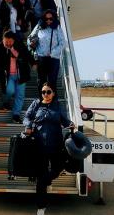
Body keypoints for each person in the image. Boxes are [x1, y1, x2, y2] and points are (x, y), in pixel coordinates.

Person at [23, 82, 75, 214]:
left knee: (57, 168)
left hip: (55, 144)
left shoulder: (57, 105)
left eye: (48, 92)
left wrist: (70, 124)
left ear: (53, 93)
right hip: (39, 144)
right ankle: (41, 206)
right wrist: (28, 126)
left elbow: (64, 120)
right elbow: (27, 117)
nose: (45, 94)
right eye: (43, 92)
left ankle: (46, 181)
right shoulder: (36, 104)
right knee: (41, 175)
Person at [0, 30, 33, 122]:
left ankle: (16, 115)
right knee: (9, 90)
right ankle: (5, 102)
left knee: (20, 95)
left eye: (10, 41)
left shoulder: (20, 45)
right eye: (6, 41)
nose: (8, 43)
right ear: (3, 39)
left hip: (21, 75)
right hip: (8, 75)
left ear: (14, 40)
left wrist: (33, 63)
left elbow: (27, 56)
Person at [28, 10, 65, 92]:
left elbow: (62, 43)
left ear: (54, 19)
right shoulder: (39, 26)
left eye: (51, 19)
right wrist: (32, 43)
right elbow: (29, 38)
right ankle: (42, 102)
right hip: (41, 58)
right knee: (41, 82)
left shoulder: (57, 27)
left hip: (54, 58)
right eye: (46, 19)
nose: (48, 20)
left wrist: (53, 53)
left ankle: (52, 103)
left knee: (52, 82)